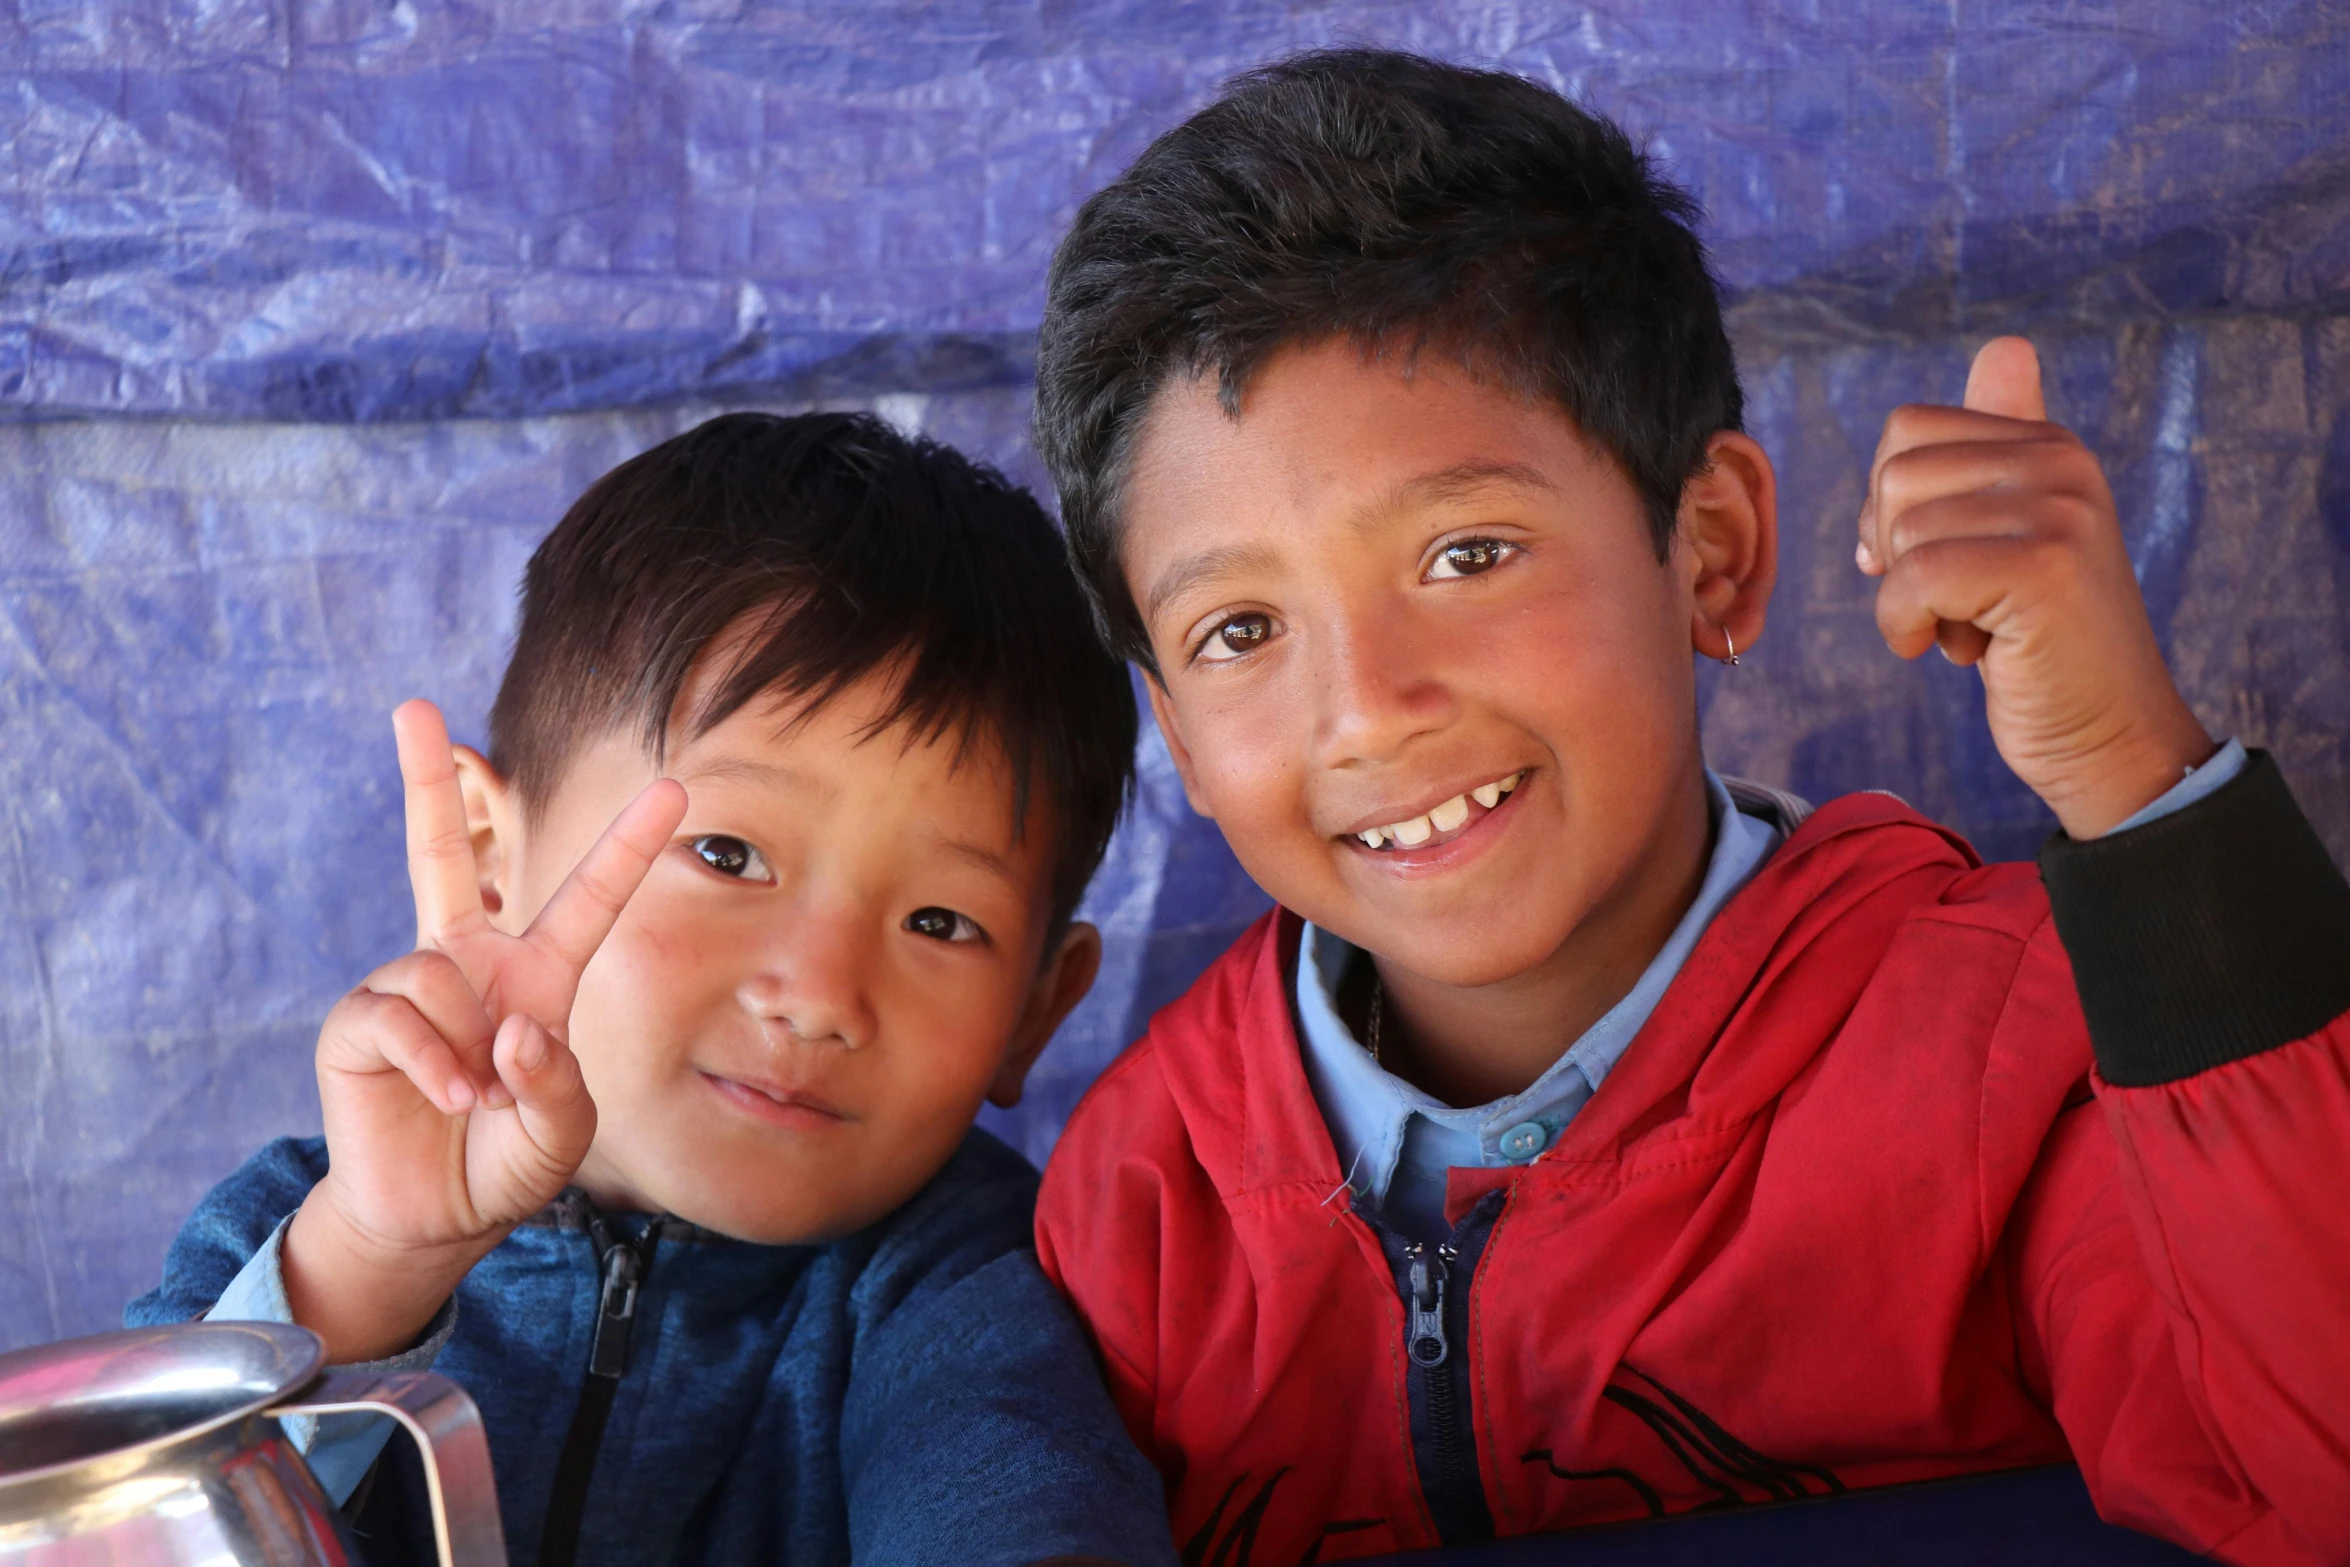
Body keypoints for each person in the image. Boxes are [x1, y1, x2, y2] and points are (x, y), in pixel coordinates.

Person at [1027, 48, 2350, 1567]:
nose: (1367, 704)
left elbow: (2304, 1481)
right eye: (1238, 631)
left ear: (1710, 548)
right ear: (1177, 738)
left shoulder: (2031, 1056)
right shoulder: (1137, 1205)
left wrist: (2132, 777)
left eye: (1466, 553)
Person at [130, 412, 1176, 1567]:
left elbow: (1024, 1511)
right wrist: (373, 1257)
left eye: (941, 921)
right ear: (490, 855)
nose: (819, 994)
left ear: (1038, 1006)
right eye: (727, 856)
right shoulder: (301, 1225)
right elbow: (113, 1533)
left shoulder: (955, 1287)